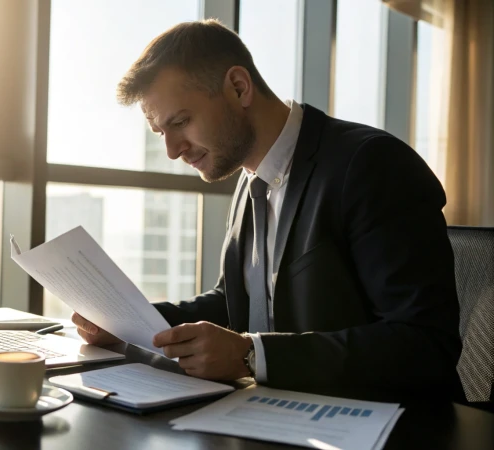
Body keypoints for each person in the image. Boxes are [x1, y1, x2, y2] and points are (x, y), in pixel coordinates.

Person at [71, 19, 463, 397]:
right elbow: (236, 303)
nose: (172, 150)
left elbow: (425, 343)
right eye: (161, 133)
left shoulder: (371, 164)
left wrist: (250, 354)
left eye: (182, 122)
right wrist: (131, 324)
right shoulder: (250, 180)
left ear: (239, 87)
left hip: (391, 426)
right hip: (287, 414)